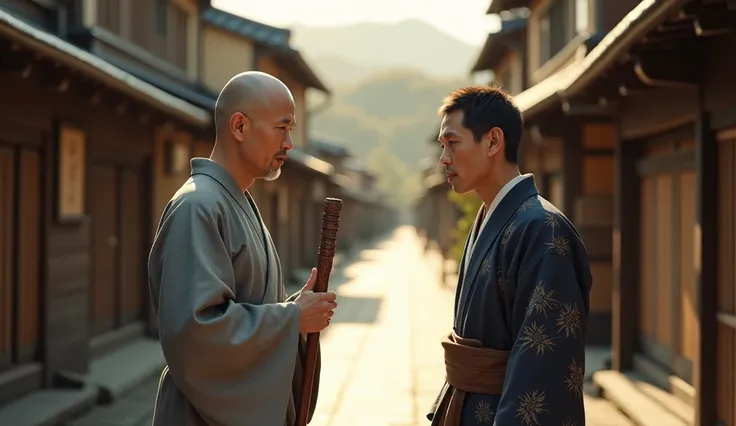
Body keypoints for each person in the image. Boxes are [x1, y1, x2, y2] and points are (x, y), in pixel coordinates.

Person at [148, 71, 337, 426]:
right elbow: (196, 332)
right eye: (282, 128)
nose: (290, 144)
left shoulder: (235, 201)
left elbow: (244, 305)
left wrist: (294, 310)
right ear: (239, 127)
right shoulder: (198, 206)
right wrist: (292, 319)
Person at [427, 86, 591, 426]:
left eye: (453, 143)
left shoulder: (543, 229)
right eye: (443, 145)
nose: (444, 158)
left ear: (492, 142)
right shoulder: (493, 217)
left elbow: (544, 363)